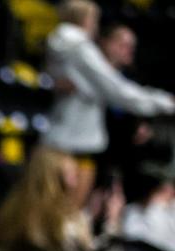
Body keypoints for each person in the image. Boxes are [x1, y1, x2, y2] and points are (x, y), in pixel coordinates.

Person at [43, 0, 175, 208]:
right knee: (60, 213)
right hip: (72, 146)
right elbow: (117, 90)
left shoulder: (60, 46)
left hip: (64, 143)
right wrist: (165, 102)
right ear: (86, 20)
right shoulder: (79, 48)